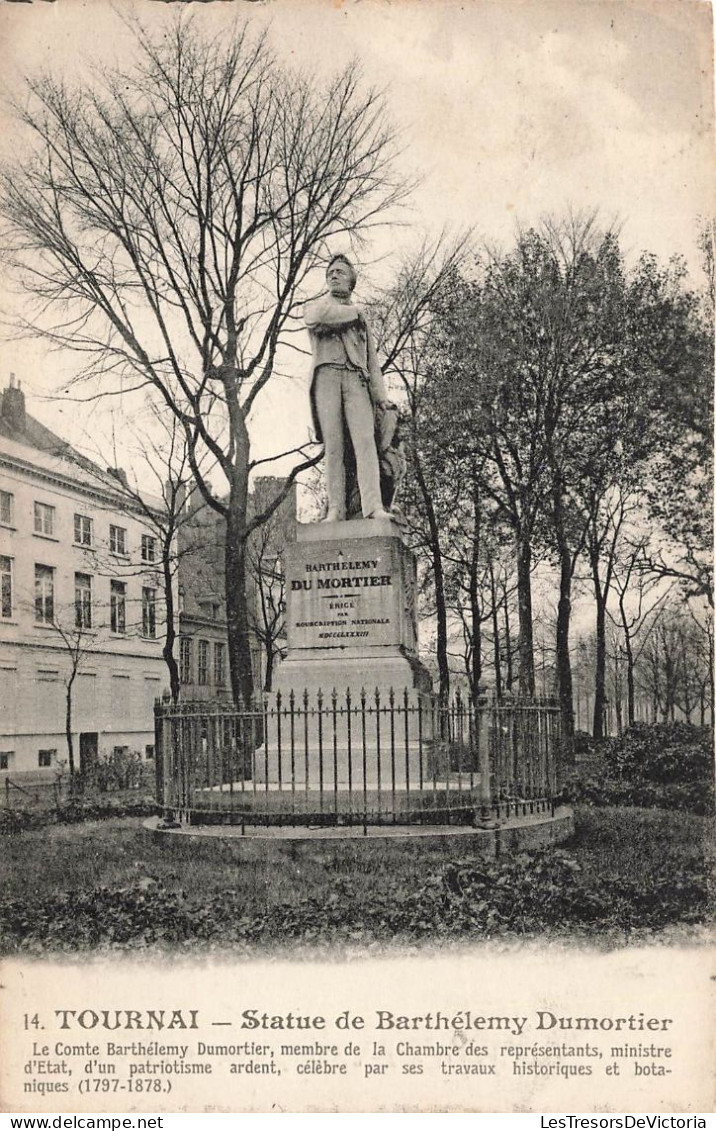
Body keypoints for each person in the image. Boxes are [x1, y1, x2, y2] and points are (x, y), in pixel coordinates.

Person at [304, 254, 393, 522]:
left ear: (351, 281)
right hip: (327, 377)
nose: (334, 275)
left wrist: (381, 398)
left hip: (356, 379)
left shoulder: (361, 320)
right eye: (330, 272)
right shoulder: (319, 307)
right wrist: (355, 312)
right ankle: (335, 510)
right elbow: (317, 317)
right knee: (334, 447)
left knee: (365, 442)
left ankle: (373, 507)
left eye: (340, 272)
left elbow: (372, 362)